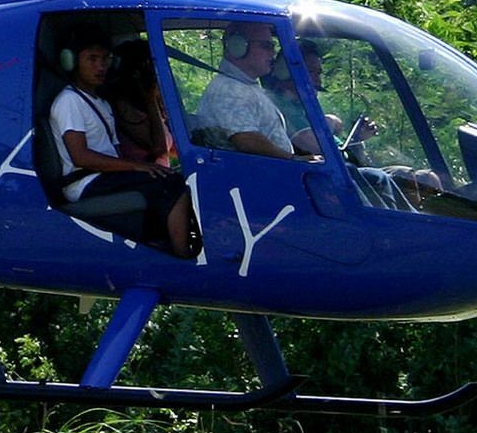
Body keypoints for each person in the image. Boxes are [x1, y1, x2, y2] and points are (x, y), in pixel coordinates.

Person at [51, 26, 198, 258]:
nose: (100, 66)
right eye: (92, 59)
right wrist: (136, 166)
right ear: (71, 61)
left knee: (176, 177)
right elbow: (80, 156)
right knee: (173, 184)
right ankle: (184, 255)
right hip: (84, 183)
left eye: (105, 59)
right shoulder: (69, 101)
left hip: (104, 178)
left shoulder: (101, 102)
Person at [192, 22, 318, 158]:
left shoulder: (244, 86)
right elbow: (246, 140)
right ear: (238, 46)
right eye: (266, 46)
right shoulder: (229, 90)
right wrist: (293, 159)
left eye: (273, 46)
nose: (273, 53)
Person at [107, 41, 175, 166]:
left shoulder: (151, 104)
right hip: (142, 180)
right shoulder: (122, 106)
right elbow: (160, 148)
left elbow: (176, 149)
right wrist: (150, 98)